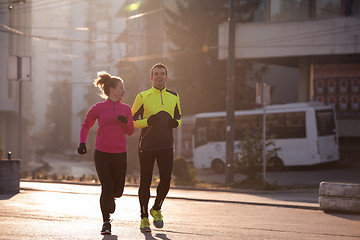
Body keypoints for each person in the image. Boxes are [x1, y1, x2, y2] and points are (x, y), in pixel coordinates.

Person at [77, 71, 134, 235]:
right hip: (102, 153)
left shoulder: (126, 109)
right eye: (121, 88)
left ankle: (112, 199)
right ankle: (106, 222)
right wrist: (82, 142)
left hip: (120, 154)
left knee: (117, 191)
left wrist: (125, 123)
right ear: (112, 89)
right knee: (106, 187)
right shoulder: (99, 108)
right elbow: (86, 125)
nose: (124, 91)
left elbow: (130, 131)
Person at [131, 63, 181, 232]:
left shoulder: (174, 96)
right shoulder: (142, 96)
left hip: (166, 146)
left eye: (162, 74)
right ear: (151, 77)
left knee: (166, 180)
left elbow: (179, 117)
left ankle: (156, 208)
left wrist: (176, 123)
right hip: (147, 145)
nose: (159, 76)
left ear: (166, 77)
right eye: (156, 74)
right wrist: (147, 121)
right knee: (145, 182)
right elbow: (131, 121)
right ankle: (144, 218)